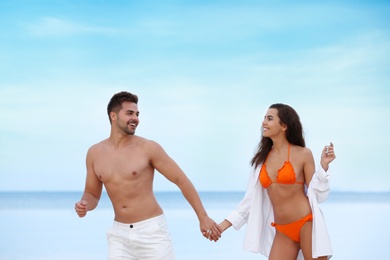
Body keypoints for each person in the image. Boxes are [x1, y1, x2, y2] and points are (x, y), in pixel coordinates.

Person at [75, 91, 221, 260]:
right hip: (119, 235)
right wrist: (84, 204)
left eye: (137, 114)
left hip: (152, 233)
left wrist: (203, 217)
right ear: (113, 115)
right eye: (129, 113)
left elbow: (181, 180)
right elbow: (92, 193)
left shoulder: (148, 148)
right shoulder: (94, 153)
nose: (135, 118)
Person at [216, 103, 335, 260]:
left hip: (307, 223)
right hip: (282, 231)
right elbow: (249, 201)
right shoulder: (260, 161)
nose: (264, 122)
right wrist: (222, 226)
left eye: (269, 118)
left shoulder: (303, 154)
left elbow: (317, 194)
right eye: (264, 118)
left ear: (284, 126)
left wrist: (323, 167)